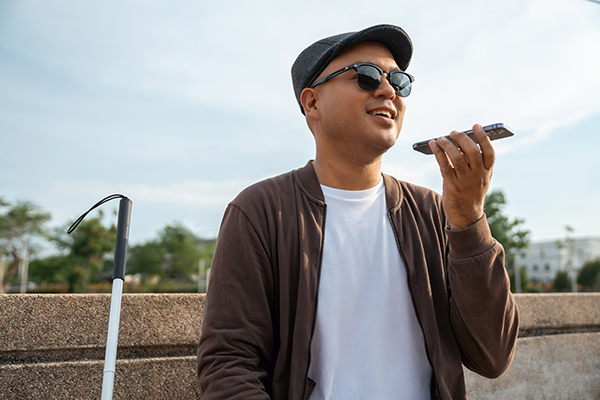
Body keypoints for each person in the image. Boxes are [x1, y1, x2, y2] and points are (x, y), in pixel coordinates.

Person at [197, 24, 519, 400]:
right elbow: (228, 364)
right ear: (312, 102)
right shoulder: (262, 211)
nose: (388, 90)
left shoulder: (433, 211)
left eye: (399, 80)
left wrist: (469, 221)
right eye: (366, 77)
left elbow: (492, 356)